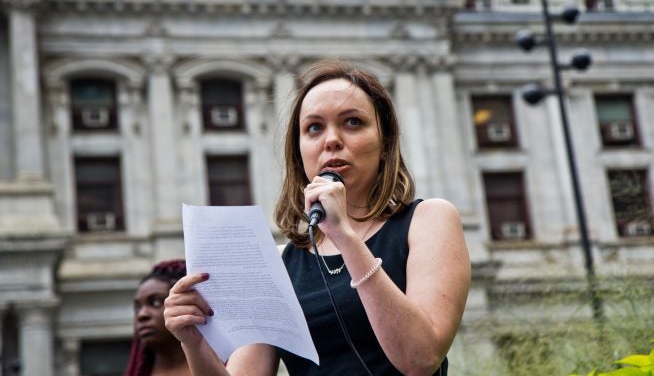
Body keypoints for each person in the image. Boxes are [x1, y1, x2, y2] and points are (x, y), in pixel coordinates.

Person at [164, 59, 471, 375]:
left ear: (385, 142)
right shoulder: (280, 264)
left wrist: (345, 236)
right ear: (299, 151)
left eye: (353, 122)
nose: (332, 140)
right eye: (314, 128)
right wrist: (194, 343)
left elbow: (419, 359)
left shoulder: (428, 220)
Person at [125, 259, 191, 376]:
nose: (142, 314)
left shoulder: (226, 367)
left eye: (155, 302)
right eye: (137, 308)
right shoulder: (138, 371)